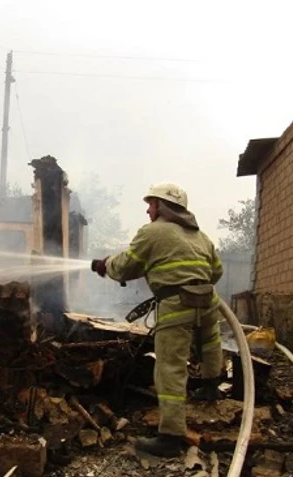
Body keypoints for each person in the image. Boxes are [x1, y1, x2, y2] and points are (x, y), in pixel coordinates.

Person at [90, 182, 224, 457]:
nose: (147, 210)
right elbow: (217, 272)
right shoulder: (201, 237)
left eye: (151, 204)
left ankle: (171, 437)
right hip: (207, 301)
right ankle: (211, 388)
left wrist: (105, 265)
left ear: (162, 205)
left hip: (176, 304)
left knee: (170, 367)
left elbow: (127, 265)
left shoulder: (152, 232)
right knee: (210, 343)